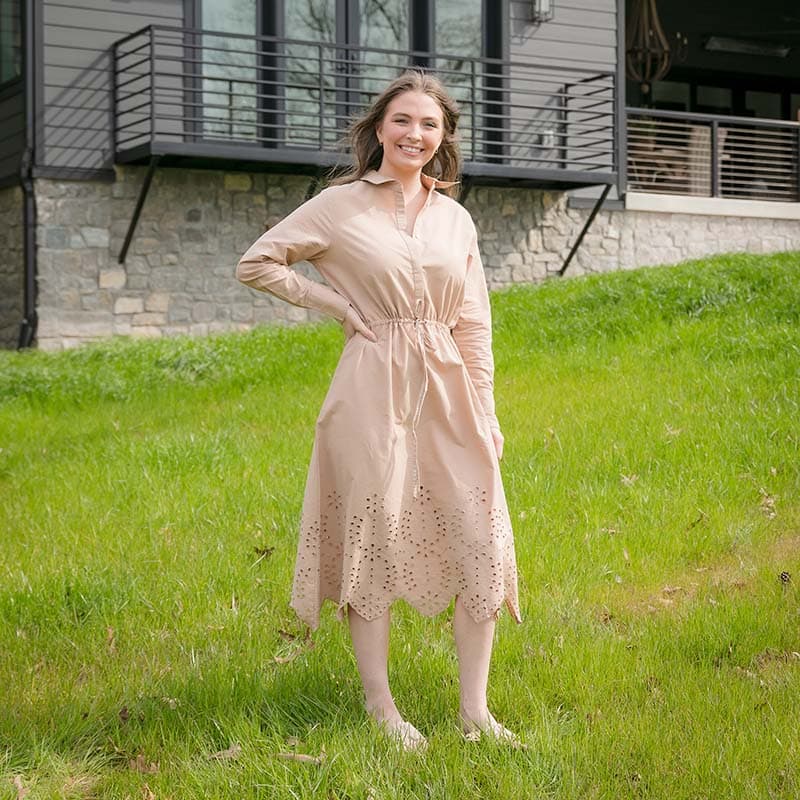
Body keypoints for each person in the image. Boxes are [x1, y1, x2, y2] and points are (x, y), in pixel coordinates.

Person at [236, 70, 521, 752]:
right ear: (380, 129)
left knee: (481, 537)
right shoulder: (339, 207)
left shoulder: (457, 219)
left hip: (449, 386)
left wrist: (486, 411)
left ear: (443, 137)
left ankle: (475, 712)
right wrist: (333, 303)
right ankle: (381, 707)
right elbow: (258, 261)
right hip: (370, 388)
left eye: (429, 125)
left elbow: (473, 324)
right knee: (373, 540)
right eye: (403, 121)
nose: (415, 134)